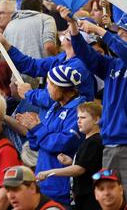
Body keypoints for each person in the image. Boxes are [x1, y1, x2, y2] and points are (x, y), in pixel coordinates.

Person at [59, 5, 127, 210]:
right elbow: (87, 56)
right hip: (110, 145)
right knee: (108, 203)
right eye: (117, 33)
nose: (118, 36)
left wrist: (100, 31)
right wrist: (73, 27)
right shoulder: (111, 65)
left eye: (124, 34)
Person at [19, 65, 85, 206]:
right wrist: (31, 128)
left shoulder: (78, 111)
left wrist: (37, 128)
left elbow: (63, 143)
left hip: (62, 188)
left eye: (50, 84)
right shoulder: (54, 107)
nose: (47, 87)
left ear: (62, 87)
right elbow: (35, 145)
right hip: (43, 183)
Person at [0, 27, 96, 103]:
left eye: (68, 32)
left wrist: (29, 93)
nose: (64, 32)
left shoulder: (79, 65)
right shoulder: (62, 57)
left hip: (70, 120)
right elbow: (31, 65)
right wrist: (6, 45)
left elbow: (54, 97)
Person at [37, 101, 103, 209]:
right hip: (81, 198)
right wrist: (70, 161)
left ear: (96, 120)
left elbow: (79, 169)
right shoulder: (87, 141)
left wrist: (49, 173)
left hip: (90, 199)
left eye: (83, 118)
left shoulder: (94, 141)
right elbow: (87, 164)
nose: (78, 121)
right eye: (78, 118)